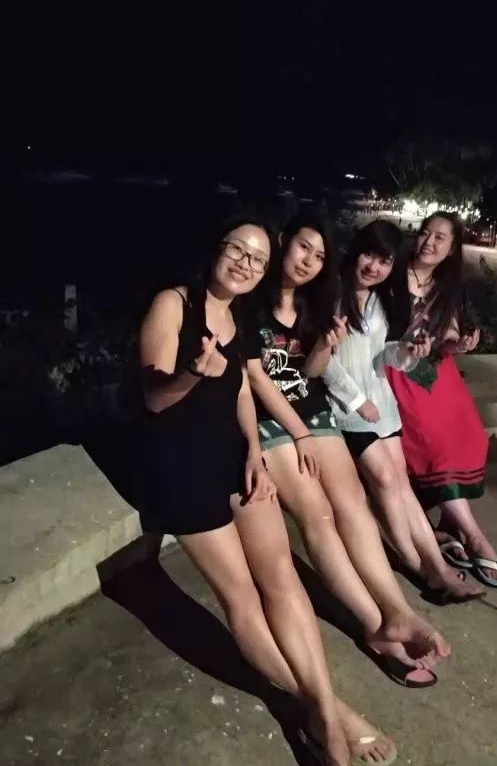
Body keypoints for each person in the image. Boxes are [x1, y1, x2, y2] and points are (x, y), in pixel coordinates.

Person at [136, 217, 396, 766]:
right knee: (244, 597)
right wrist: (192, 373)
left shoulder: (238, 316)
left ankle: (322, 706)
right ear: (217, 249)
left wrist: (255, 451)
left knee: (282, 578)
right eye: (238, 250)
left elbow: (242, 393)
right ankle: (329, 712)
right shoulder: (174, 304)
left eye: (256, 259)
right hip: (183, 470)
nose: (245, 264)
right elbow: (154, 398)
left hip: (234, 458)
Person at [244, 213, 452, 691]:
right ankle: (374, 623)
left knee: (354, 504)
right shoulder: (251, 303)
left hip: (312, 411)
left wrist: (323, 344)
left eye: (319, 256)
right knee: (318, 516)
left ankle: (396, 608)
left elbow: (313, 371)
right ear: (283, 242)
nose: (308, 261)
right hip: (272, 420)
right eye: (303, 248)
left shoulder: (315, 303)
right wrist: (299, 432)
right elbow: (254, 377)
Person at [322, 220, 485, 602]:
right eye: (369, 255)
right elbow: (325, 359)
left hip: (381, 402)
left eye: (384, 261)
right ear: (355, 251)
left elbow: (385, 354)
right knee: (384, 479)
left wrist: (407, 353)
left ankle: (437, 566)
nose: (374, 267)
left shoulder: (380, 300)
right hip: (347, 407)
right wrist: (357, 402)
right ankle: (417, 565)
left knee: (400, 481)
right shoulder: (332, 296)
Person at [388, 212, 497, 589]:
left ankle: (447, 525)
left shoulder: (447, 287)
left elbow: (449, 336)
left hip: (434, 370)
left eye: (440, 238)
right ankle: (474, 536)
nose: (429, 242)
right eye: (425, 233)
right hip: (395, 369)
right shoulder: (393, 274)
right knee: (434, 439)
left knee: (469, 434)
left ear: (453, 248)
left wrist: (461, 344)